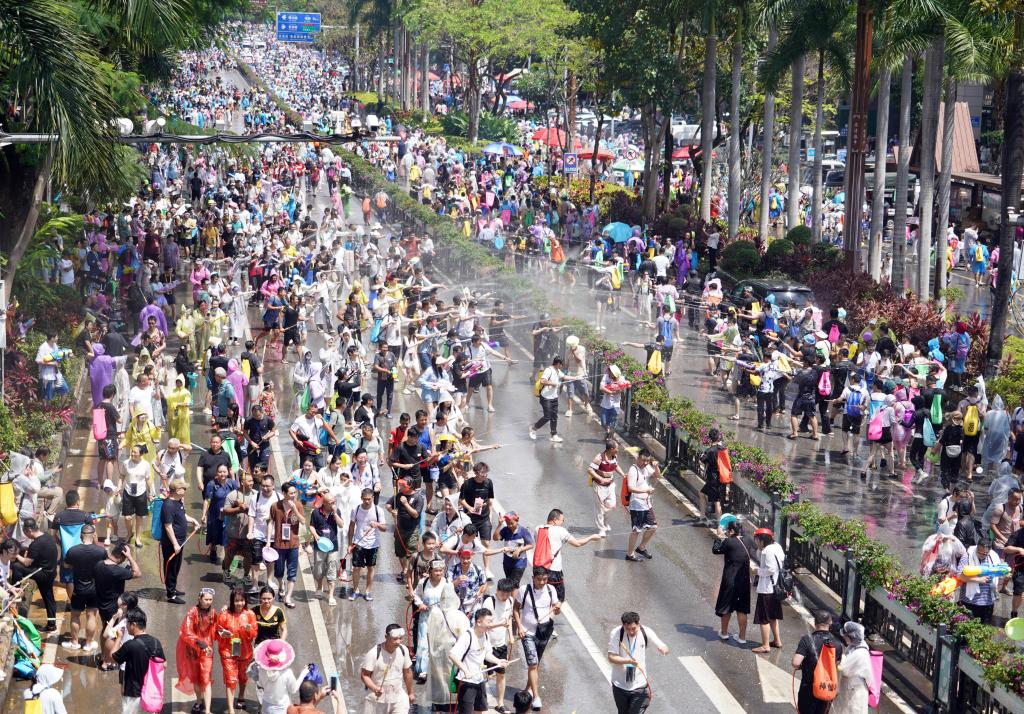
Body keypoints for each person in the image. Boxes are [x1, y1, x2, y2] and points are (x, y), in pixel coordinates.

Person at [606, 611, 669, 714]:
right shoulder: (616, 633)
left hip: (639, 685)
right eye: (627, 629)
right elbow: (611, 657)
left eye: (633, 628)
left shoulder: (646, 632)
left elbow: (661, 645)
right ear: (623, 625)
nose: (631, 632)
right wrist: (627, 661)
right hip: (620, 685)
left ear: (638, 623)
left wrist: (663, 649)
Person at [534, 508, 602, 602]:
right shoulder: (560, 530)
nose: (563, 522)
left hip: (538, 569)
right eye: (562, 520)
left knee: (540, 596)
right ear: (555, 520)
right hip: (553, 570)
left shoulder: (538, 528)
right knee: (558, 599)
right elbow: (577, 543)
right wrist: (591, 537)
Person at [63, 523, 107, 652]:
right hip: (95, 589)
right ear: (94, 535)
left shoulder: (73, 550)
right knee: (91, 616)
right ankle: (88, 643)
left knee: (75, 616)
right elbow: (105, 565)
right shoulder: (101, 551)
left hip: (78, 589)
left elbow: (66, 565)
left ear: (80, 535)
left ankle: (74, 642)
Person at [175, 588, 219, 714]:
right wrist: (201, 643)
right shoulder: (192, 612)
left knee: (206, 677)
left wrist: (221, 632)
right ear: (199, 598)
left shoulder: (213, 613)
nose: (208, 602)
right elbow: (187, 631)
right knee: (195, 677)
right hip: (193, 649)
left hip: (207, 650)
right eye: (206, 599)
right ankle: (199, 701)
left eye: (210, 599)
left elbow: (216, 628)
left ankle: (208, 710)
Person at [113, 608, 165, 714]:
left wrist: (118, 638)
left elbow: (112, 657)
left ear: (134, 624)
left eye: (127, 624)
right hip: (151, 693)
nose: (126, 627)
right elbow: (164, 664)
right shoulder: (156, 642)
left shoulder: (130, 645)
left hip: (133, 693)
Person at [792, 610, 844, 714]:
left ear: (815, 622)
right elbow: (836, 667)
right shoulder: (838, 644)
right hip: (826, 688)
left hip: (808, 688)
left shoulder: (807, 639)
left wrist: (802, 666)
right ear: (830, 623)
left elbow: (796, 663)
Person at [216, 587, 258, 714]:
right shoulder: (224, 614)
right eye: (236, 601)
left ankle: (241, 696)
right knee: (231, 679)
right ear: (232, 601)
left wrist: (249, 630)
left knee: (243, 677)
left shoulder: (250, 614)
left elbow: (254, 633)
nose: (239, 603)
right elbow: (217, 631)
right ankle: (231, 710)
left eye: (242, 600)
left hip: (245, 651)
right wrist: (223, 634)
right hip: (228, 651)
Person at [13, 518, 58, 631]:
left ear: (29, 530)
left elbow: (26, 563)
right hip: (51, 571)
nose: (26, 535)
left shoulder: (36, 544)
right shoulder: (48, 537)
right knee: (49, 598)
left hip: (42, 573)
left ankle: (15, 590)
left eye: (25, 532)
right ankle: (52, 624)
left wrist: (16, 555)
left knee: (17, 566)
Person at [713, 519, 753, 643]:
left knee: (727, 607)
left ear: (731, 531)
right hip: (744, 580)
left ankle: (724, 633)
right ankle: (742, 637)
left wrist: (719, 537)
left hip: (730, 579)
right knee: (742, 609)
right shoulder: (748, 540)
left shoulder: (729, 542)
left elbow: (716, 550)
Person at [360, 623, 416, 712]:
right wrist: (375, 688)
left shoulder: (403, 650)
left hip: (398, 699)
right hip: (376, 700)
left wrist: (410, 693)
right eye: (395, 639)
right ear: (386, 637)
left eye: (400, 638)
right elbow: (364, 675)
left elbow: (407, 672)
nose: (398, 642)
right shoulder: (374, 653)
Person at [161, 478, 200, 604]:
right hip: (172, 543)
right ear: (177, 491)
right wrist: (175, 544)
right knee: (171, 567)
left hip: (180, 541)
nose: (185, 490)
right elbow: (168, 526)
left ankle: (173, 588)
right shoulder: (168, 505)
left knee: (176, 566)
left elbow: (182, 515)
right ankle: (170, 595)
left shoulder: (178, 502)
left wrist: (193, 520)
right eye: (184, 488)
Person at [269, 481, 304, 608]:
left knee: (292, 571)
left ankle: (288, 597)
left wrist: (294, 509)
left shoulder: (298, 505)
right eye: (291, 493)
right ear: (284, 493)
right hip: (279, 544)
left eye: (295, 493)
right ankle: (281, 585)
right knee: (279, 570)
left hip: (293, 544)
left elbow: (303, 521)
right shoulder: (275, 506)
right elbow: (270, 523)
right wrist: (268, 541)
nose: (293, 495)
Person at [349, 487, 387, 601]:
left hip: (373, 544)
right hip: (358, 542)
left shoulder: (378, 510)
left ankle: (368, 591)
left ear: (373, 498)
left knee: (371, 567)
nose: (367, 501)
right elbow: (351, 527)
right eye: (364, 499)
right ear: (361, 498)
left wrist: (377, 525)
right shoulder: (356, 509)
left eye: (369, 499)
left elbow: (384, 528)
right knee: (356, 568)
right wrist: (350, 544)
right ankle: (355, 590)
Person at [751, 527, 785, 653]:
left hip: (767, 589)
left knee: (764, 618)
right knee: (772, 616)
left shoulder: (767, 551)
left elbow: (770, 569)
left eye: (756, 539)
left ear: (761, 539)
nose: (755, 542)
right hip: (775, 587)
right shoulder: (776, 547)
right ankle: (777, 641)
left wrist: (757, 571)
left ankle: (765, 645)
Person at [308, 490, 345, 605]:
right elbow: (311, 526)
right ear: (324, 503)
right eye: (330, 503)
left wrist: (335, 513)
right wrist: (316, 536)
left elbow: (341, 525)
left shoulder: (337, 511)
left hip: (332, 546)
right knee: (318, 570)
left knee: (332, 569)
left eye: (334, 502)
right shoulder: (316, 512)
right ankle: (319, 587)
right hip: (320, 546)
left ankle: (331, 596)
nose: (333, 504)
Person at [624, 449, 660, 562]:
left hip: (646, 503)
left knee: (653, 527)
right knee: (637, 530)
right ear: (638, 458)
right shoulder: (633, 470)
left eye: (647, 461)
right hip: (636, 504)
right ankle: (630, 554)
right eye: (643, 460)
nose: (645, 463)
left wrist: (656, 467)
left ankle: (641, 547)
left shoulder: (647, 467)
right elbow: (631, 488)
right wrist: (646, 490)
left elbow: (657, 475)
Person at [958, 536, 1003, 623]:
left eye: (985, 554)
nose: (982, 556)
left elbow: (1000, 575)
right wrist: (978, 580)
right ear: (977, 547)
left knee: (984, 628)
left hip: (987, 602)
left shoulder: (994, 557)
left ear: (990, 550)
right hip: (969, 601)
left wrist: (999, 586)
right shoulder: (968, 556)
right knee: (966, 627)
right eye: (979, 553)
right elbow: (959, 575)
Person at [832, 621, 874, 714]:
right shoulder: (853, 646)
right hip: (849, 687)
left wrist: (841, 657)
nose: (844, 637)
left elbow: (844, 669)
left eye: (845, 635)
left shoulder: (859, 652)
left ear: (851, 636)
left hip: (856, 691)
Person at [252, 639, 302, 714]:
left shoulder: (262, 670)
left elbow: (261, 684)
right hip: (282, 708)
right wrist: (303, 675)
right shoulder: (287, 673)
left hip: (266, 706)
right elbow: (293, 690)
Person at [589, 442, 624, 537]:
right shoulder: (599, 458)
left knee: (611, 505)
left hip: (610, 485)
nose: (618, 450)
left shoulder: (614, 456)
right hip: (599, 487)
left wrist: (622, 474)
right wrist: (601, 478)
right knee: (600, 509)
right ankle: (601, 529)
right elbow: (590, 470)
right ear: (611, 449)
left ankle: (605, 521)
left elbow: (616, 466)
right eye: (617, 448)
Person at [530, 356, 564, 442]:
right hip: (546, 398)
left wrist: (577, 377)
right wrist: (554, 384)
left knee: (554, 417)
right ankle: (534, 428)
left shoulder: (557, 370)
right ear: (558, 364)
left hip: (554, 397)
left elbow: (564, 377)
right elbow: (542, 381)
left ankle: (554, 435)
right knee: (547, 416)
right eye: (561, 364)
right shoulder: (549, 370)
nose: (562, 366)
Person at [697, 429, 727, 527]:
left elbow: (702, 459)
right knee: (701, 493)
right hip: (720, 477)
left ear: (710, 438)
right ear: (718, 437)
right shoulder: (722, 447)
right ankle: (702, 517)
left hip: (713, 479)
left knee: (717, 501)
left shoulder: (710, 451)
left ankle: (720, 525)